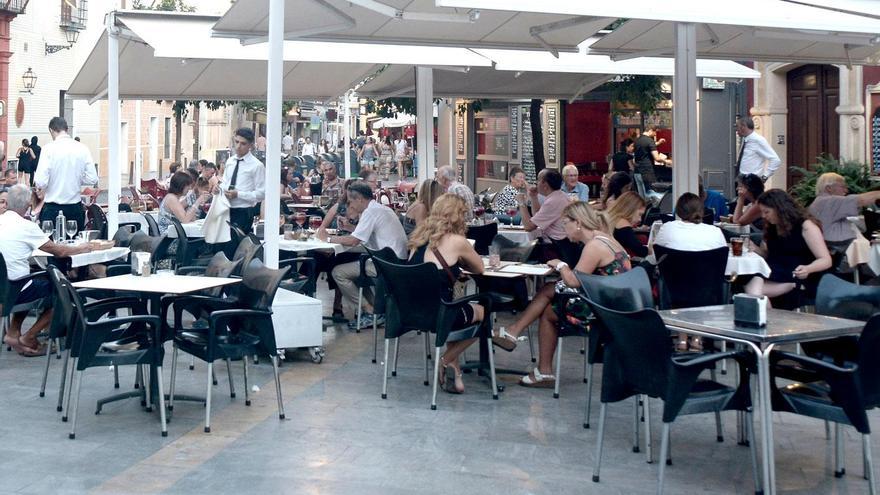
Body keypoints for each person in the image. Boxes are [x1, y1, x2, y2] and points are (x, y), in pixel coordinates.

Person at [492, 201, 631, 387]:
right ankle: (518, 339)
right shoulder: (607, 239)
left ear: (578, 223)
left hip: (602, 313)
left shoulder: (594, 246)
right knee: (549, 290)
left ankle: (539, 365)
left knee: (550, 311)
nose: (564, 231)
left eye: (565, 224)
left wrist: (559, 264)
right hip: (614, 305)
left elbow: (573, 281)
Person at [0, 185, 105, 356]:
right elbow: (60, 251)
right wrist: (84, 248)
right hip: (15, 290)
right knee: (64, 290)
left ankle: (13, 332)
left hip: (7, 288)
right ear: (28, 203)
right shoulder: (26, 226)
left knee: (29, 280)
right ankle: (30, 336)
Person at [407, 194, 486, 394]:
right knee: (483, 313)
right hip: (441, 313)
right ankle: (446, 359)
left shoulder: (418, 238)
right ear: (457, 216)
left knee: (454, 304)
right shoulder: (458, 241)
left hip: (412, 313)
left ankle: (455, 372)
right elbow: (479, 268)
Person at [318, 181, 408, 329]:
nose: (351, 206)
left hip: (387, 264)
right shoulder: (379, 209)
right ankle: (375, 310)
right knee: (357, 271)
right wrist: (350, 227)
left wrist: (327, 239)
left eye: (351, 201)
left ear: (360, 199)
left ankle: (370, 311)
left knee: (338, 272)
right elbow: (366, 235)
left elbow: (354, 241)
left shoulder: (370, 212)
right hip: (395, 261)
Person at [745, 189, 832, 301]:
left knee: (753, 289)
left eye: (766, 212)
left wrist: (808, 269)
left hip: (798, 273)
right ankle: (768, 316)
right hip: (776, 271)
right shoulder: (773, 227)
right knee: (749, 284)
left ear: (779, 209)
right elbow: (773, 255)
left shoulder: (806, 226)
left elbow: (826, 260)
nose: (763, 216)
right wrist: (756, 249)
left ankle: (768, 314)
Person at [33, 117, 97, 231]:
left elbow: (40, 181)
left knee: (52, 246)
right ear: (66, 129)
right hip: (75, 207)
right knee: (75, 245)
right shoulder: (82, 148)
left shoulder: (48, 149)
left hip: (52, 208)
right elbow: (92, 178)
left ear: (51, 130)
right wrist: (77, 178)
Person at [809, 172, 880, 246]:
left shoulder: (821, 201)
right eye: (843, 187)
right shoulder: (829, 201)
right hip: (838, 248)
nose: (846, 190)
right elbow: (861, 200)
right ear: (829, 188)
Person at [218, 127, 266, 236]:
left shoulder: (257, 165)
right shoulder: (230, 161)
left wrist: (239, 194)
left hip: (244, 211)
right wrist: (220, 189)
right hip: (226, 209)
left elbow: (261, 193)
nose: (238, 146)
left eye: (243, 144)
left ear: (250, 145)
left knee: (235, 245)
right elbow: (225, 182)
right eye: (236, 142)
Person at [519, 169, 570, 259]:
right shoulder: (560, 196)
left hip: (555, 248)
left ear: (545, 185)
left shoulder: (553, 201)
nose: (536, 183)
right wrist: (534, 197)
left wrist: (521, 202)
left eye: (538, 180)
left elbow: (529, 226)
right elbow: (538, 217)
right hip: (559, 245)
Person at [654, 193, 727, 251]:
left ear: (678, 211)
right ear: (702, 211)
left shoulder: (667, 229)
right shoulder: (715, 232)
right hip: (707, 269)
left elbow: (656, 255)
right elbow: (724, 259)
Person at [735, 116, 780, 182]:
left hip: (752, 179)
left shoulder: (758, 140)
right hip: (741, 178)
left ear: (743, 127)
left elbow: (775, 160)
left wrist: (765, 176)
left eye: (737, 127)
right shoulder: (746, 139)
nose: (736, 130)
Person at [606, 191, 648, 258]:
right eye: (640, 214)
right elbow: (640, 251)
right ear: (631, 210)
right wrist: (651, 249)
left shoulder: (611, 218)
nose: (640, 219)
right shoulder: (623, 224)